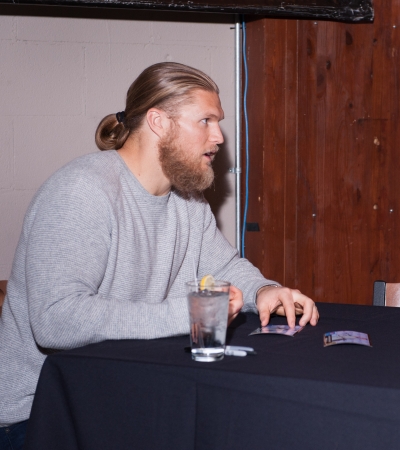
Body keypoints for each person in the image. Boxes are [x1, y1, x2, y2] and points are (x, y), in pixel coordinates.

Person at [0, 62, 319, 449]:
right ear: (158, 122)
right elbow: (55, 320)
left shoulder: (187, 199)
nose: (218, 137)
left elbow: (223, 266)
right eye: (205, 120)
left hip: (122, 399)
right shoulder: (81, 192)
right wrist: (190, 313)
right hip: (40, 417)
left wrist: (263, 291)